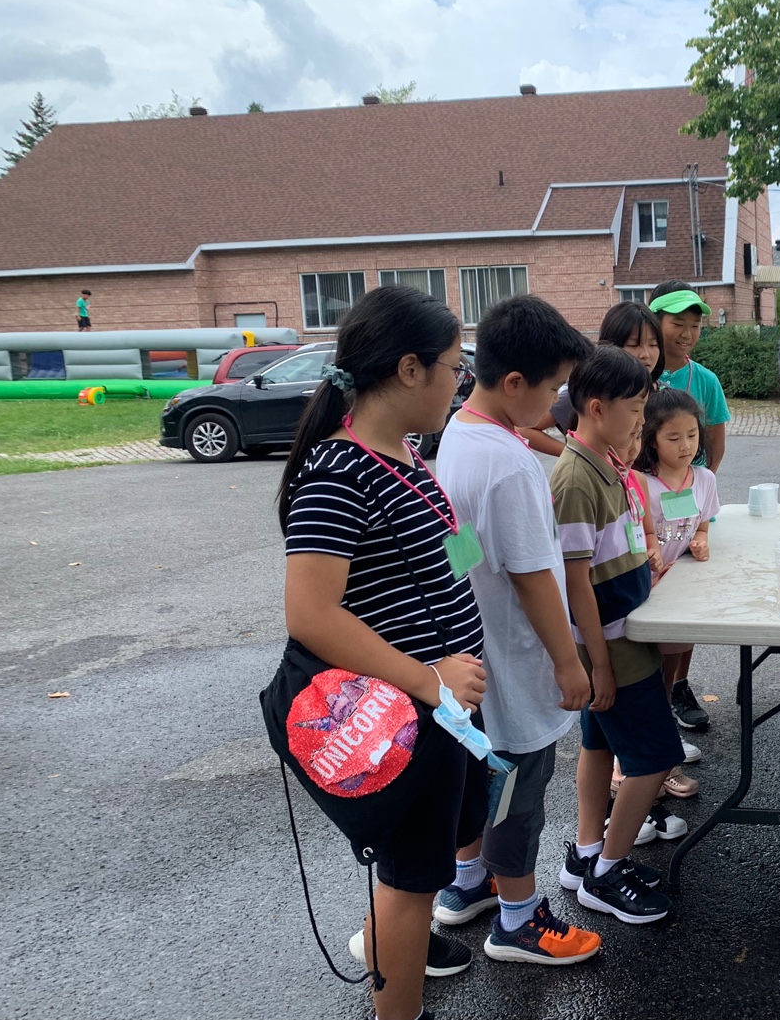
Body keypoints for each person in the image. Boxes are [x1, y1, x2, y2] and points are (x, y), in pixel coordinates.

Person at [278, 284, 488, 1020]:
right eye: (454, 367)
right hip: (406, 713)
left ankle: (391, 956)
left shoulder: (405, 454)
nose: (460, 382)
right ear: (408, 369)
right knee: (411, 880)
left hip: (446, 704)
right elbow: (310, 614)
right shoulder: (339, 473)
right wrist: (429, 678)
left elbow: (449, 557)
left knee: (425, 869)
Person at [434, 294, 605, 966]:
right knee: (516, 790)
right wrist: (568, 661)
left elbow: (464, 547)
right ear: (513, 383)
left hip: (476, 649)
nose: (558, 402)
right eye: (554, 386)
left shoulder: (461, 431)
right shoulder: (508, 463)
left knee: (482, 777)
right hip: (513, 657)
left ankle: (468, 880)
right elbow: (534, 575)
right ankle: (518, 920)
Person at [552, 345, 685, 924]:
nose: (641, 422)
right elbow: (574, 582)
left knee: (598, 743)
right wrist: (600, 663)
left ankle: (587, 853)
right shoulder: (575, 478)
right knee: (655, 756)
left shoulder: (605, 465)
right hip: (610, 643)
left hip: (620, 634)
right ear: (597, 407)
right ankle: (608, 870)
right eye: (635, 410)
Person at [629, 388, 720, 798]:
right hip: (644, 594)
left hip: (679, 595)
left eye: (692, 435)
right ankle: (649, 761)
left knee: (665, 676)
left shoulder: (704, 479)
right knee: (642, 681)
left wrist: (701, 540)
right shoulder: (641, 482)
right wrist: (647, 553)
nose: (685, 446)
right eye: (673, 437)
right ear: (651, 438)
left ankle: (662, 749)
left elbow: (703, 523)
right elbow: (634, 535)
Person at [648, 280, 729, 731]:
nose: (687, 333)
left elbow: (715, 445)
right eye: (678, 323)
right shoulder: (633, 374)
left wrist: (696, 488)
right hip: (642, 507)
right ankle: (651, 696)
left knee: (688, 596)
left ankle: (679, 685)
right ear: (655, 322)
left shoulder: (706, 381)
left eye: (695, 325)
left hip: (686, 508)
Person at [522, 303, 665, 459]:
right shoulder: (589, 392)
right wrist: (578, 454)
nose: (645, 354)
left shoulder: (664, 393)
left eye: (653, 344)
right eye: (633, 345)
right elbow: (525, 429)